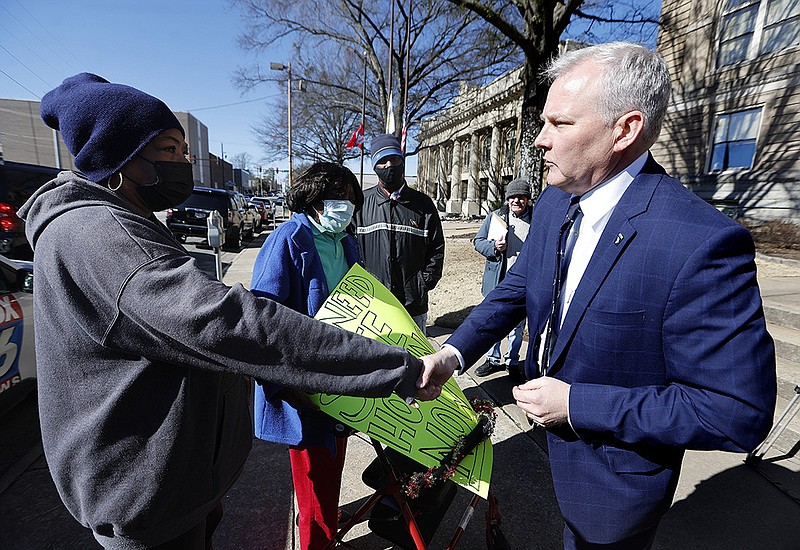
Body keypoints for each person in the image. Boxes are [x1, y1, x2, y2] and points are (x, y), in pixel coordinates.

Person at [17, 73, 449, 550]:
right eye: (169, 150)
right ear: (118, 157)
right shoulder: (100, 236)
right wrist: (396, 367)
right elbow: (232, 324)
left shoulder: (120, 222)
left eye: (184, 149)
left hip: (177, 483)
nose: (185, 162)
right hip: (145, 498)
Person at [422, 43, 776, 548]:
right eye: (541, 124)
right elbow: (521, 286)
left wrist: (576, 404)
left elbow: (735, 411)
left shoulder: (701, 243)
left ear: (624, 130)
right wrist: (454, 353)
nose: (540, 141)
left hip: (616, 488)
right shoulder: (552, 201)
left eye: (560, 125)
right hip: (555, 465)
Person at [249, 162, 364, 549]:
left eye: (351, 199)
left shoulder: (347, 242)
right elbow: (263, 317)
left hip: (341, 378)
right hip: (304, 384)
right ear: (314, 199)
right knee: (314, 477)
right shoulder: (289, 238)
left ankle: (323, 524)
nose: (345, 206)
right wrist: (284, 383)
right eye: (337, 198)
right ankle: (316, 538)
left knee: (331, 467)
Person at [356, 133, 445, 335]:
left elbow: (436, 248)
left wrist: (423, 283)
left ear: (402, 160)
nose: (389, 166)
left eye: (394, 159)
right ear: (374, 166)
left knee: (416, 364)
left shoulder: (423, 204)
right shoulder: (361, 204)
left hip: (413, 305)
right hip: (374, 305)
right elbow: (350, 249)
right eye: (382, 161)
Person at [472, 178, 532, 379]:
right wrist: (493, 248)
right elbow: (478, 241)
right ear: (507, 199)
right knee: (494, 322)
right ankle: (492, 359)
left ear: (527, 200)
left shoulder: (536, 220)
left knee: (517, 326)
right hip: (497, 282)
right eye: (513, 197)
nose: (517, 201)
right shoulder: (496, 217)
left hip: (523, 283)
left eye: (521, 197)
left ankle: (512, 361)